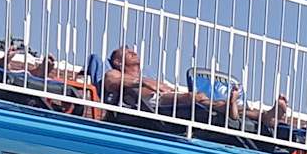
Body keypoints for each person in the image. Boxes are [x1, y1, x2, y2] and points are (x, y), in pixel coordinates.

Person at [100, 46, 234, 120]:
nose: (134, 53)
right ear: (118, 62)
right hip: (150, 102)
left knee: (201, 97)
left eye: (133, 51)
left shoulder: (147, 76)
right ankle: (226, 108)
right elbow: (111, 82)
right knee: (194, 97)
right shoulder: (115, 73)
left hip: (166, 97)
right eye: (128, 53)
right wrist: (142, 82)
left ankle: (232, 108)